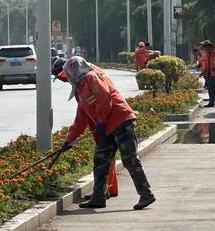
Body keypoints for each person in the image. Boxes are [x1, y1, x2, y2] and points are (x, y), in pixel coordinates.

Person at [57, 56, 155, 210]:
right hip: (106, 128)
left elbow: (103, 97)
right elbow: (80, 120)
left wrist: (101, 120)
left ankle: (146, 194)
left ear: (74, 70)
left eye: (67, 74)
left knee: (130, 160)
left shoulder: (92, 77)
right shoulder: (80, 89)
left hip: (120, 121)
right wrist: (68, 141)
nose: (67, 78)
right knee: (100, 161)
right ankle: (98, 197)